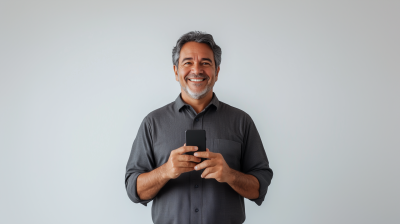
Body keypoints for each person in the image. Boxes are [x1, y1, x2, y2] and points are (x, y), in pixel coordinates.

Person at [125, 31, 273, 224]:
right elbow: (133, 190)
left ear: (217, 72)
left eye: (205, 63)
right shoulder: (152, 123)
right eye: (187, 62)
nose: (197, 70)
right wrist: (166, 171)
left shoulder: (241, 121)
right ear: (176, 71)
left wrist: (229, 175)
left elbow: (259, 188)